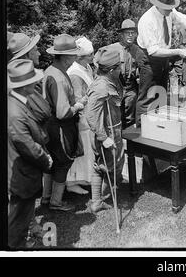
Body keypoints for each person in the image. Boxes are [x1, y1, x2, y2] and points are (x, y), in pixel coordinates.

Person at [8, 59, 53, 248]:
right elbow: (27, 146)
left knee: (21, 215)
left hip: (21, 171)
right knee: (18, 219)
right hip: (22, 175)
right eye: (33, 80)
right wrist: (46, 160)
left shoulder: (16, 102)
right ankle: (15, 245)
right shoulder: (16, 113)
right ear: (25, 85)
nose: (36, 83)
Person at [42, 34, 86, 211]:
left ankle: (46, 198)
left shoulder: (51, 70)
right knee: (62, 162)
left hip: (50, 126)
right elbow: (62, 112)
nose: (76, 57)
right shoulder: (59, 77)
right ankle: (56, 202)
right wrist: (79, 105)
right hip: (60, 127)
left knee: (52, 162)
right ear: (67, 57)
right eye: (74, 54)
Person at [85, 46, 125, 213]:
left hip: (108, 130)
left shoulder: (105, 80)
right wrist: (104, 137)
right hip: (107, 132)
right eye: (119, 66)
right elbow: (91, 114)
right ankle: (107, 195)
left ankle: (96, 202)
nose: (121, 68)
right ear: (111, 70)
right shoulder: (101, 86)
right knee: (113, 166)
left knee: (99, 165)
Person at [65, 37, 95, 195]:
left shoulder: (87, 67)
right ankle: (72, 182)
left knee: (88, 149)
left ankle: (86, 178)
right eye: (89, 55)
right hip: (81, 117)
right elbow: (77, 98)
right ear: (79, 57)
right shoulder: (75, 73)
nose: (92, 57)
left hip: (90, 114)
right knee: (80, 149)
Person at [107, 19, 145, 128]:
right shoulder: (112, 49)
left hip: (130, 89)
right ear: (121, 35)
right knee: (115, 117)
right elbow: (100, 65)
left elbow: (144, 67)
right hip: (115, 88)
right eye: (127, 33)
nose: (130, 35)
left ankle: (128, 141)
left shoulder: (138, 51)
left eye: (132, 33)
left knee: (130, 119)